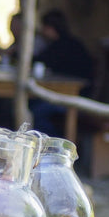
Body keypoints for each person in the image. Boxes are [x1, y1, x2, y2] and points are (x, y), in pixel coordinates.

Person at [29, 9, 94, 137]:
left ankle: (52, 144)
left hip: (74, 96)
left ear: (50, 28)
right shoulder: (62, 44)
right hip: (64, 93)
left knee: (36, 111)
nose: (42, 31)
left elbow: (40, 61)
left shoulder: (63, 46)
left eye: (44, 27)